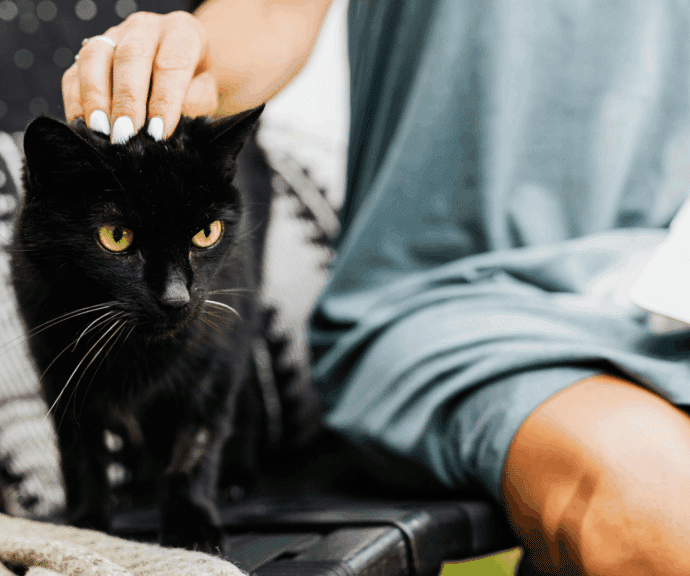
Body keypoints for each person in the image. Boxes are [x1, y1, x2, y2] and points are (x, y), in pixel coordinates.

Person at [62, 1, 690, 574]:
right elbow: (268, 15)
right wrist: (187, 59)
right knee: (655, 513)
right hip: (461, 304)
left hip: (664, 289)